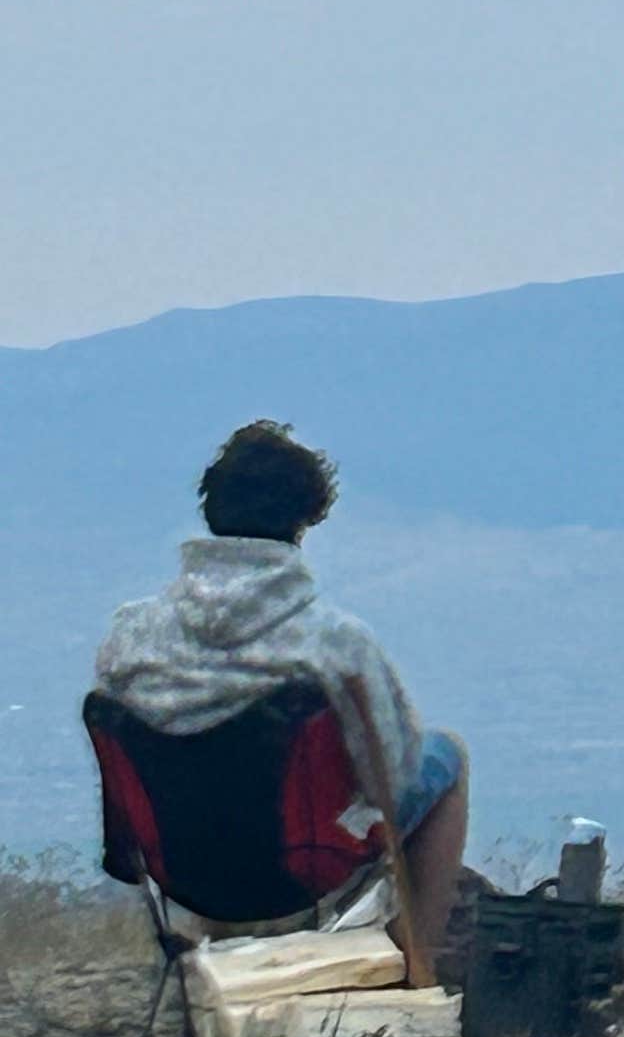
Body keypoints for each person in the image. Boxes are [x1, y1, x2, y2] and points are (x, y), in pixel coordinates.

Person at [93, 419, 471, 982]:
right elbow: (388, 783)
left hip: (182, 872)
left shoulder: (130, 636)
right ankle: (416, 966)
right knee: (448, 755)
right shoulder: (334, 642)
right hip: (301, 870)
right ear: (305, 519)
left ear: (211, 510)